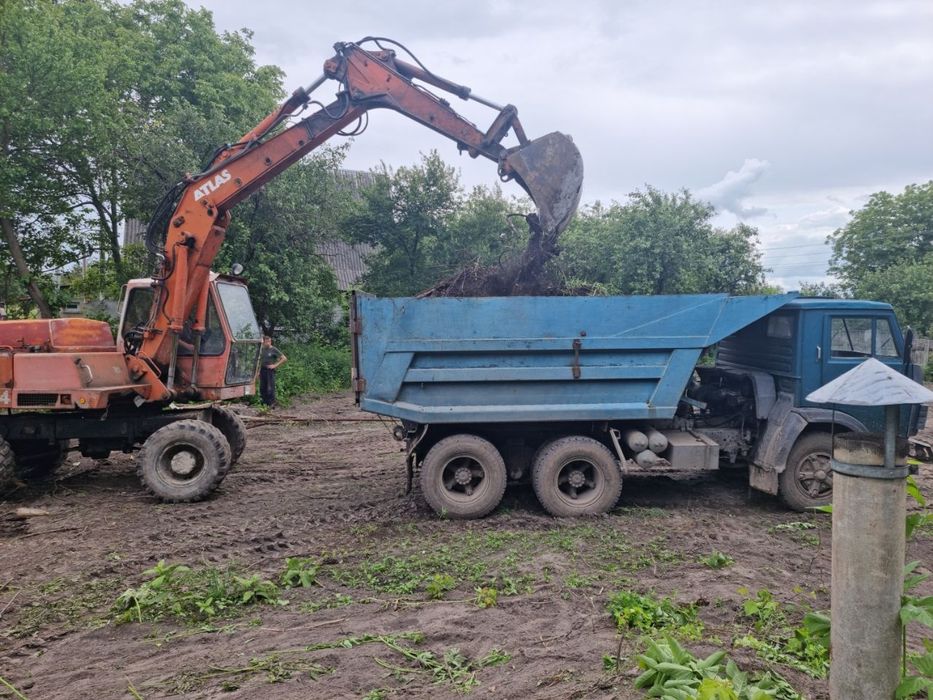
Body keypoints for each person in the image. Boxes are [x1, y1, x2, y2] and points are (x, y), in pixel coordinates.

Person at [259, 335, 287, 407]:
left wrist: (275, 365)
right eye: (266, 341)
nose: (268, 343)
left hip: (269, 371)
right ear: (264, 342)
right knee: (262, 387)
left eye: (269, 341)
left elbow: (284, 358)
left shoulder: (273, 349)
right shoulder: (262, 349)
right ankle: (264, 402)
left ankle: (272, 403)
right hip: (262, 370)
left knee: (270, 387)